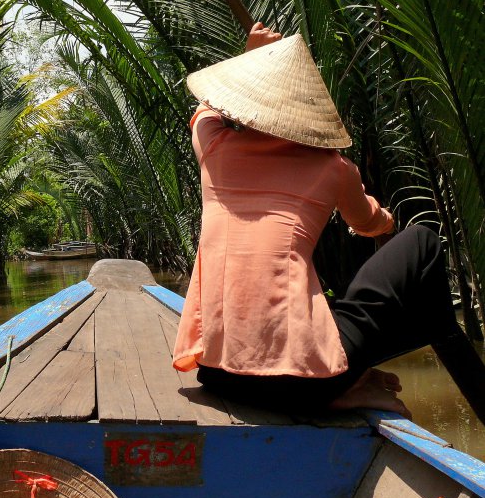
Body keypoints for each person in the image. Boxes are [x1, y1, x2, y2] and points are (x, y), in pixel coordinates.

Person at [173, 24, 485, 422]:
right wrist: (384, 216)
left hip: (217, 373)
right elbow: (371, 223)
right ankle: (357, 379)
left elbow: (205, 109)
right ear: (307, 115)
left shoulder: (214, 149)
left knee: (327, 306)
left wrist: (251, 55)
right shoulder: (333, 168)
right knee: (422, 241)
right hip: (300, 386)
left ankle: (346, 385)